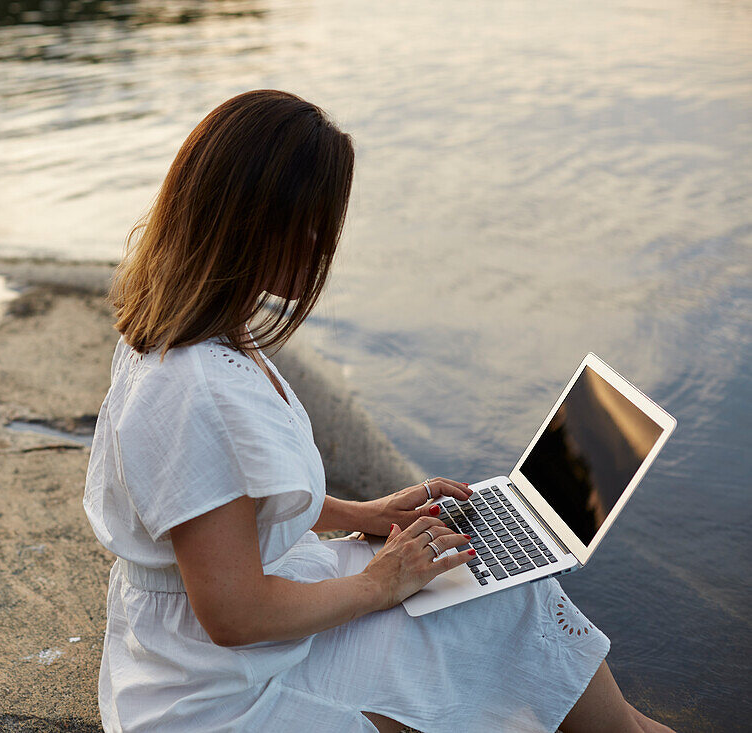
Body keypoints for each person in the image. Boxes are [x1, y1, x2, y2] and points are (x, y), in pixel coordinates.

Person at [82, 90, 675, 733]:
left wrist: (359, 514)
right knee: (498, 602)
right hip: (217, 695)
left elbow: (222, 507)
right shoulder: (194, 389)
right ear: (252, 219)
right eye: (310, 221)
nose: (321, 243)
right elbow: (234, 614)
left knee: (499, 590)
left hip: (198, 649)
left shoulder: (198, 330)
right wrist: (380, 585)